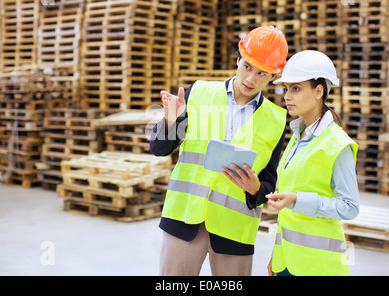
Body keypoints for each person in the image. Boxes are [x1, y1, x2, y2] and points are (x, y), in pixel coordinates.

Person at [150, 26, 288, 276]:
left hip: (233, 231)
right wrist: (171, 122)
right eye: (247, 66)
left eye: (261, 73)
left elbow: (268, 183)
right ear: (237, 59)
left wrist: (256, 188)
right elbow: (159, 149)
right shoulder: (200, 93)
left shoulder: (277, 120)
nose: (250, 79)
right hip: (184, 218)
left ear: (273, 76)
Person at [265, 50, 360, 276]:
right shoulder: (297, 138)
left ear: (319, 92)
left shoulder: (337, 143)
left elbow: (350, 207)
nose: (287, 96)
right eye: (287, 89)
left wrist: (299, 200)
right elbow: (289, 211)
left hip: (319, 265)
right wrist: (276, 256)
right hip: (287, 261)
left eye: (296, 88)